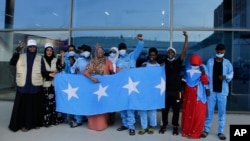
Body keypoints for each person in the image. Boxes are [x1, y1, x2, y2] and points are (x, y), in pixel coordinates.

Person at [8, 39, 45, 132]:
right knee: (23, 107)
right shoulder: (20, 56)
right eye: (31, 47)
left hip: (35, 85)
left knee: (34, 106)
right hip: (23, 85)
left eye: (34, 47)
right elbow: (12, 62)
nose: (32, 48)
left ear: (36, 48)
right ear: (28, 48)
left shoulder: (40, 58)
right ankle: (23, 124)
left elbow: (43, 71)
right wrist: (18, 49)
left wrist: (53, 74)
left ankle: (35, 123)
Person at [201, 43, 234, 140]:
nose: (220, 53)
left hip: (222, 92)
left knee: (222, 112)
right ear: (216, 51)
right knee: (209, 111)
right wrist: (207, 88)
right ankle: (206, 130)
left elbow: (231, 73)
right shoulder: (210, 61)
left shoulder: (227, 63)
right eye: (218, 51)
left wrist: (225, 77)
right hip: (211, 91)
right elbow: (206, 76)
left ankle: (221, 132)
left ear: (224, 51)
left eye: (221, 52)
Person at [159, 31, 188, 135]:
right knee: (164, 110)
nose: (170, 53)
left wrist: (186, 38)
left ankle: (175, 126)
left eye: (172, 52)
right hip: (166, 91)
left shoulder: (178, 62)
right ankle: (164, 126)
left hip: (176, 91)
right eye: (169, 52)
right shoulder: (163, 64)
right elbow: (153, 72)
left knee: (176, 110)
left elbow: (184, 51)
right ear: (167, 54)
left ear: (174, 54)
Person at [116, 34, 144, 136]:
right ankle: (125, 124)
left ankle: (131, 127)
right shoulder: (117, 61)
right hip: (121, 87)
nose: (122, 50)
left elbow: (139, 49)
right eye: (120, 49)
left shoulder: (132, 56)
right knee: (122, 106)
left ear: (126, 49)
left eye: (123, 48)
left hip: (131, 87)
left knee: (130, 107)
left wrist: (140, 41)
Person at [83, 44, 114, 131]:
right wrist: (92, 78)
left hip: (104, 88)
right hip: (93, 87)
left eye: (101, 51)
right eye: (98, 51)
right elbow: (85, 72)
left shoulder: (107, 61)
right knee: (94, 106)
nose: (100, 53)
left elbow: (113, 71)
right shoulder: (92, 62)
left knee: (102, 106)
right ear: (95, 53)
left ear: (104, 52)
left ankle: (102, 124)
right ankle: (93, 125)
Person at [181, 54, 209, 139]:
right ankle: (187, 130)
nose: (194, 66)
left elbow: (206, 81)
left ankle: (195, 131)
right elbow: (185, 78)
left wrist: (203, 73)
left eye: (195, 65)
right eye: (192, 64)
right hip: (189, 93)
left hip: (198, 93)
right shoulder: (187, 67)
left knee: (198, 113)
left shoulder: (203, 68)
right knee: (188, 112)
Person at [42, 43, 65, 127]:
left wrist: (62, 56)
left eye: (51, 50)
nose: (49, 52)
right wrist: (50, 74)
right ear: (45, 51)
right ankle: (46, 120)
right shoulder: (42, 59)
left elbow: (61, 67)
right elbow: (41, 71)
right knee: (46, 103)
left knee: (53, 103)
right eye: (47, 50)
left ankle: (54, 119)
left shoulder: (55, 59)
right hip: (45, 84)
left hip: (54, 84)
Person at [138, 47, 159, 135]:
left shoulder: (159, 66)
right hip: (144, 91)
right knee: (143, 109)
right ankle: (144, 127)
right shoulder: (144, 65)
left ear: (156, 56)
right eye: (150, 55)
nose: (152, 56)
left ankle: (151, 126)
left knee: (152, 110)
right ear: (148, 55)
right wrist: (140, 69)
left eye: (153, 55)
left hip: (153, 91)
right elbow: (138, 76)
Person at [69, 44, 92, 128]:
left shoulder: (92, 60)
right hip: (79, 84)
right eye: (81, 51)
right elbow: (72, 70)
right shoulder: (79, 60)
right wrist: (75, 70)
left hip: (89, 85)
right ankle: (78, 120)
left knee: (88, 102)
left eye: (82, 51)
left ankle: (90, 119)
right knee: (78, 101)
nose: (81, 52)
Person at [107, 46, 119, 125]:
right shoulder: (106, 60)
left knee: (114, 101)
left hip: (117, 84)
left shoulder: (119, 60)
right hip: (108, 84)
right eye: (110, 52)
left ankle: (113, 117)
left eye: (114, 52)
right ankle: (109, 117)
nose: (112, 53)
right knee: (108, 101)